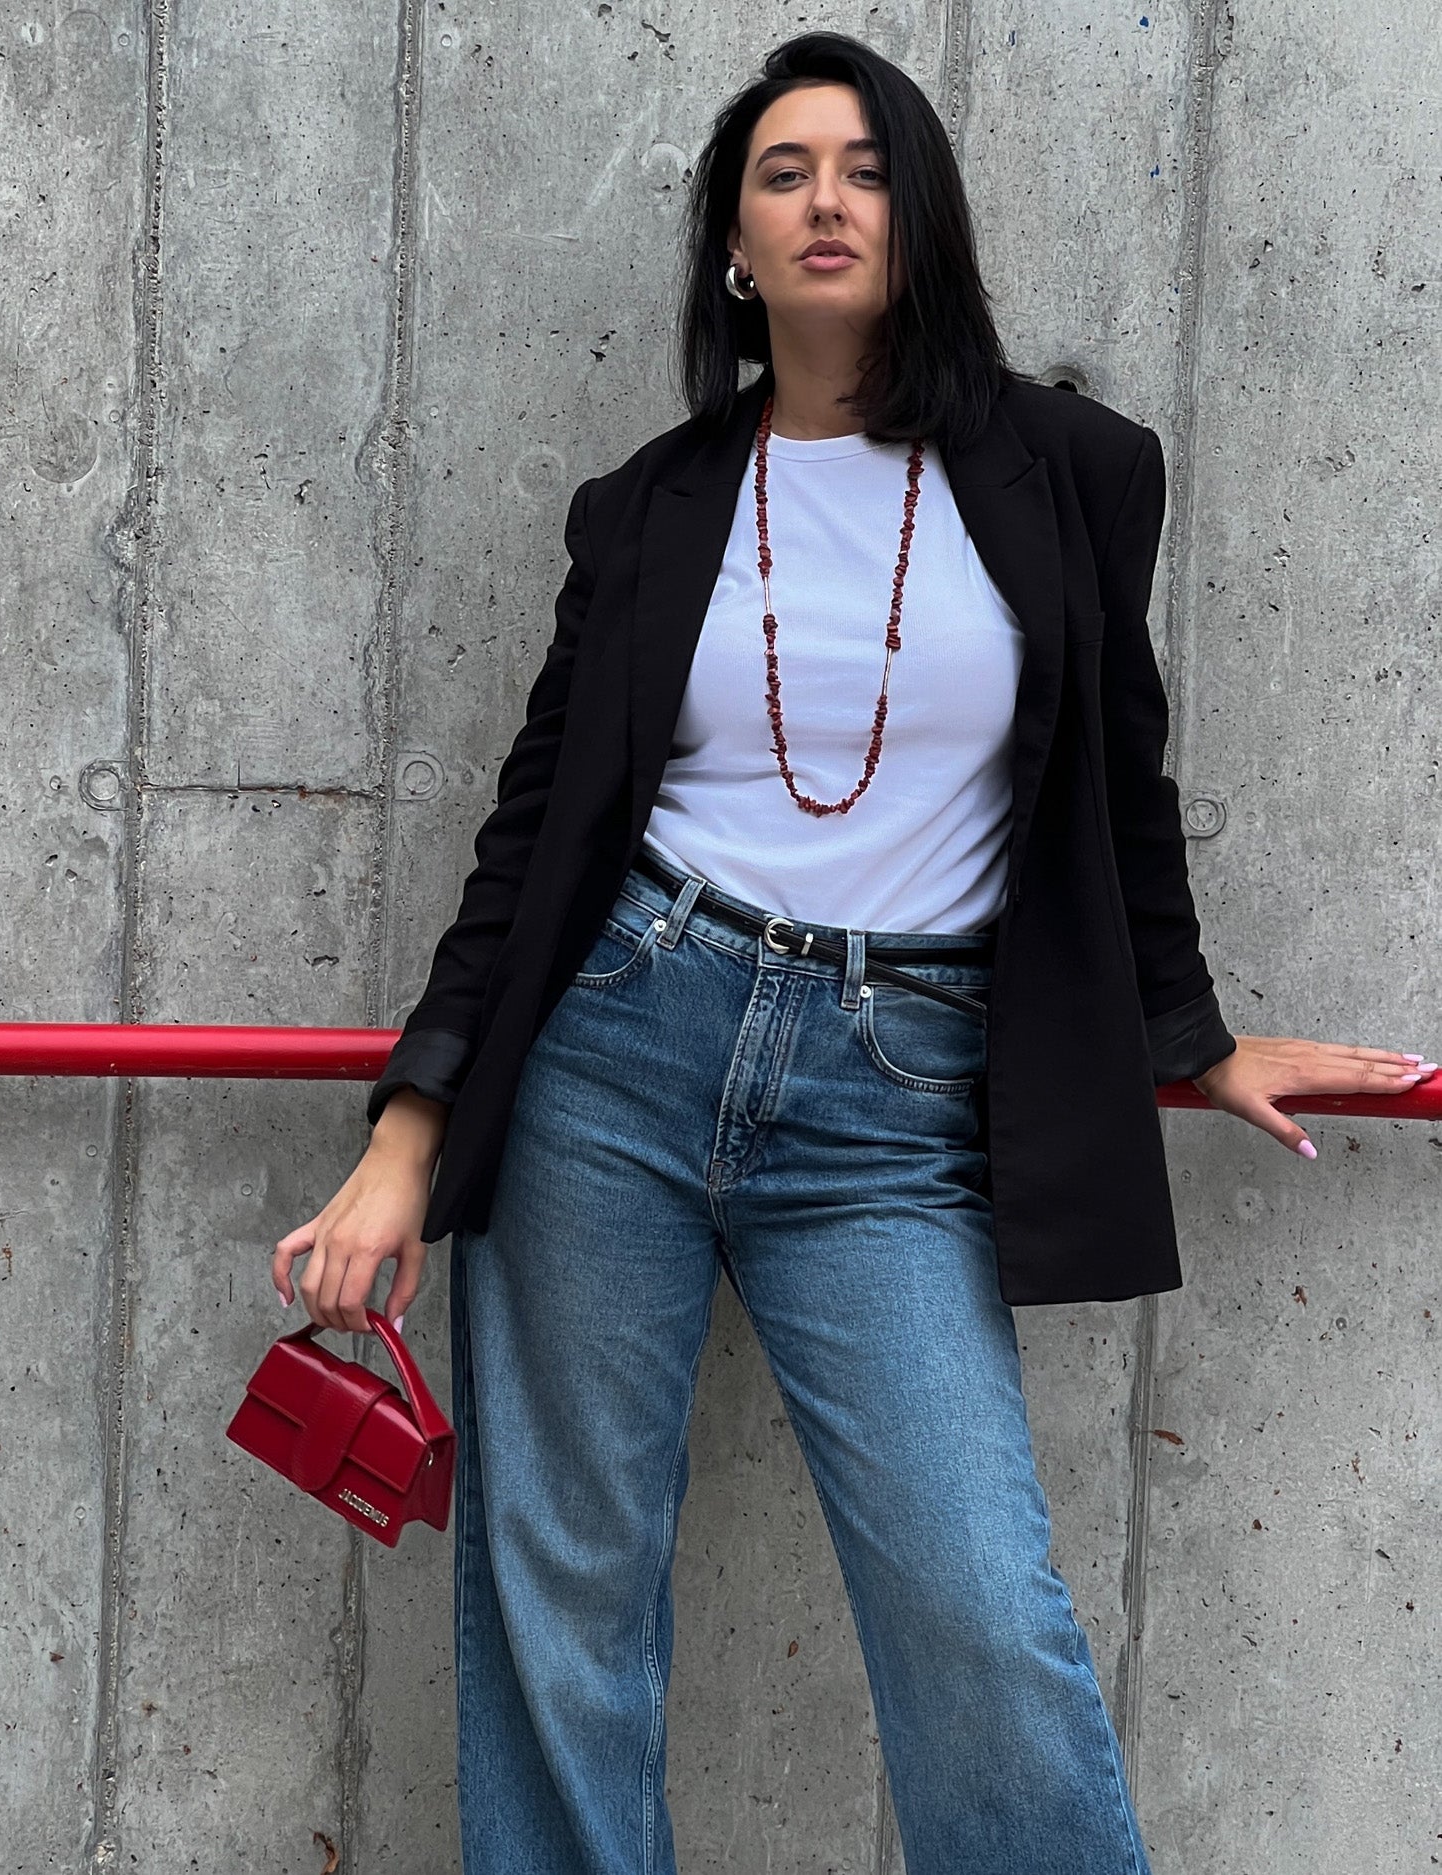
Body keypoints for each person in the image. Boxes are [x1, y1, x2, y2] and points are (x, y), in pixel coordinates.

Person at [273, 31, 1433, 1873]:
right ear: (734, 242)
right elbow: (532, 842)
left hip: (898, 1103)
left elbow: (1117, 776)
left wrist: (1196, 1034)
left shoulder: (1072, 470)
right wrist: (405, 1142)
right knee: (559, 1604)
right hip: (618, 1054)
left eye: (870, 166)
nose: (830, 199)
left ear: (922, 214)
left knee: (979, 1606)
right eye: (786, 171)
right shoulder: (648, 510)